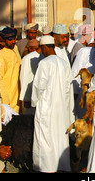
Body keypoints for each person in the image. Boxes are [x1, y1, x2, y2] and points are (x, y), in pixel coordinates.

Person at [31, 35, 74, 173]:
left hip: (47, 107)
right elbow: (68, 87)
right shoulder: (63, 63)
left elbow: (38, 86)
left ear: (44, 47)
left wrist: (34, 101)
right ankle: (61, 166)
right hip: (61, 108)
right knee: (60, 137)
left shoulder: (44, 63)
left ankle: (47, 168)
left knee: (45, 139)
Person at [0, 27, 22, 114]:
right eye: (10, 40)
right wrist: (5, 100)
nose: (13, 41)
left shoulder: (15, 49)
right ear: (4, 40)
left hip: (17, 97)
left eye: (14, 39)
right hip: (8, 99)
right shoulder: (0, 55)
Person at [19, 39, 42, 115]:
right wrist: (26, 98)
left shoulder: (43, 58)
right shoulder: (27, 58)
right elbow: (24, 78)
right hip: (29, 96)